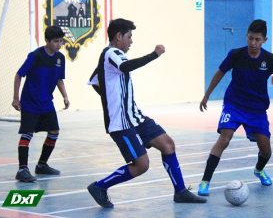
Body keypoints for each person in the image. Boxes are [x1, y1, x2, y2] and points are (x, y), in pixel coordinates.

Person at [87, 18, 206, 208]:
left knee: (168, 145)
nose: (131, 41)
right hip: (121, 123)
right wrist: (154, 54)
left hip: (135, 116)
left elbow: (95, 80)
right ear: (118, 37)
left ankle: (180, 191)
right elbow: (125, 67)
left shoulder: (110, 58)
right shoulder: (111, 53)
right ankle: (99, 186)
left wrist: (110, 94)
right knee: (141, 165)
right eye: (129, 36)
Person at [197, 19, 273, 196]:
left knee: (266, 151)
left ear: (264, 40)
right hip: (234, 105)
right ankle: (205, 181)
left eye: (257, 40)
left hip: (257, 110)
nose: (253, 43)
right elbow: (219, 73)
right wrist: (207, 95)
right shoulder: (236, 55)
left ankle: (259, 170)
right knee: (224, 139)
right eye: (250, 38)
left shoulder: (270, 60)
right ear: (246, 36)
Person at [12, 25, 69, 182]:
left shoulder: (60, 58)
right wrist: (16, 99)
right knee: (27, 134)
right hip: (30, 102)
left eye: (61, 41)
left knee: (54, 131)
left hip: (46, 103)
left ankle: (42, 165)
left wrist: (65, 96)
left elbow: (59, 79)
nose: (59, 44)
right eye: (56, 41)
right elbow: (18, 75)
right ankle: (22, 169)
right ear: (47, 41)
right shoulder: (35, 56)